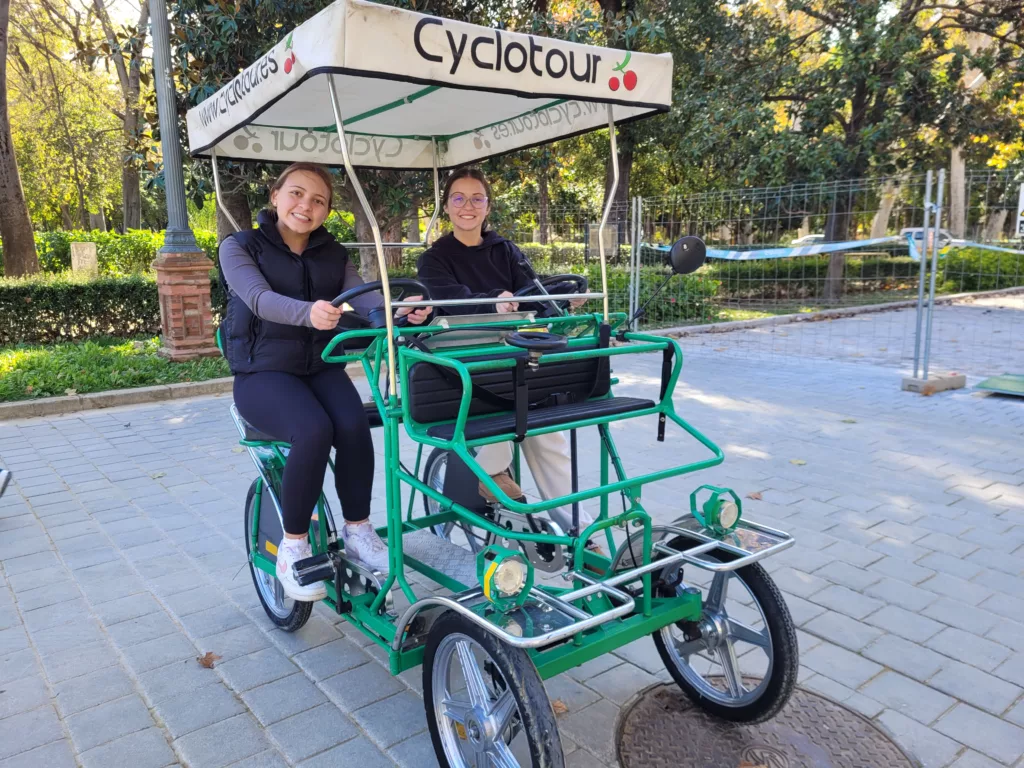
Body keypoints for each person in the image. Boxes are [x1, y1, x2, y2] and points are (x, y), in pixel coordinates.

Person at [220, 162, 430, 601]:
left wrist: (402, 311)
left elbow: (368, 301)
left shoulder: (332, 254)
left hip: (321, 366)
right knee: (314, 430)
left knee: (354, 426)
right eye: (296, 194)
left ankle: (358, 531)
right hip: (262, 374)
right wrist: (307, 312)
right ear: (275, 196)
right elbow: (258, 299)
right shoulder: (240, 247)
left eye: (318, 201)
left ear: (326, 211)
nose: (305, 206)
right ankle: (293, 546)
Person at [417, 167, 600, 546]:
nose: (468, 206)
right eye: (459, 198)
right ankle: (491, 472)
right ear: (447, 206)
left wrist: (561, 300)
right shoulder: (434, 258)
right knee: (514, 407)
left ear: (487, 207)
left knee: (547, 436)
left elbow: (531, 292)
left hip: (515, 352)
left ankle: (582, 533)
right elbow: (448, 299)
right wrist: (492, 302)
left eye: (477, 198)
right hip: (466, 353)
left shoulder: (505, 250)